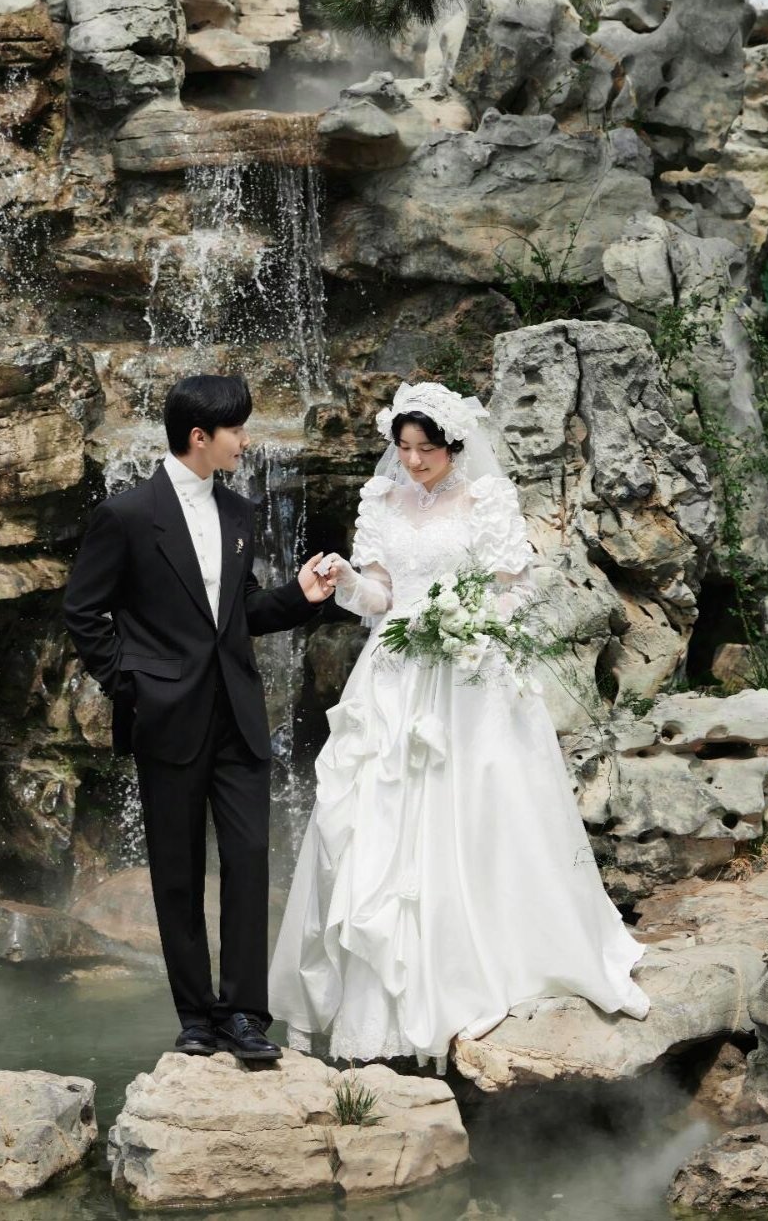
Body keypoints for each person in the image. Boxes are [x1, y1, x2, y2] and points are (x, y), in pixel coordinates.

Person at [269, 380, 649, 1068]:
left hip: (469, 676)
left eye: (427, 449)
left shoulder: (487, 499)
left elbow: (514, 591)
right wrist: (347, 580)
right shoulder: (381, 500)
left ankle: (488, 964)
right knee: (374, 821)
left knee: (479, 810)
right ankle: (378, 1001)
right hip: (395, 674)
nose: (413, 462)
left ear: (453, 445)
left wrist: (470, 625)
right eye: (404, 448)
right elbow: (381, 597)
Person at [63, 373, 337, 1061]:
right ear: (199, 436)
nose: (245, 441)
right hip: (167, 719)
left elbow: (240, 615)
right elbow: (83, 611)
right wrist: (132, 684)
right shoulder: (127, 515)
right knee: (177, 873)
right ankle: (196, 1017)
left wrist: (300, 596)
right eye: (236, 430)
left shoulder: (239, 513)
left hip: (239, 717)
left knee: (247, 865)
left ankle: (245, 1016)